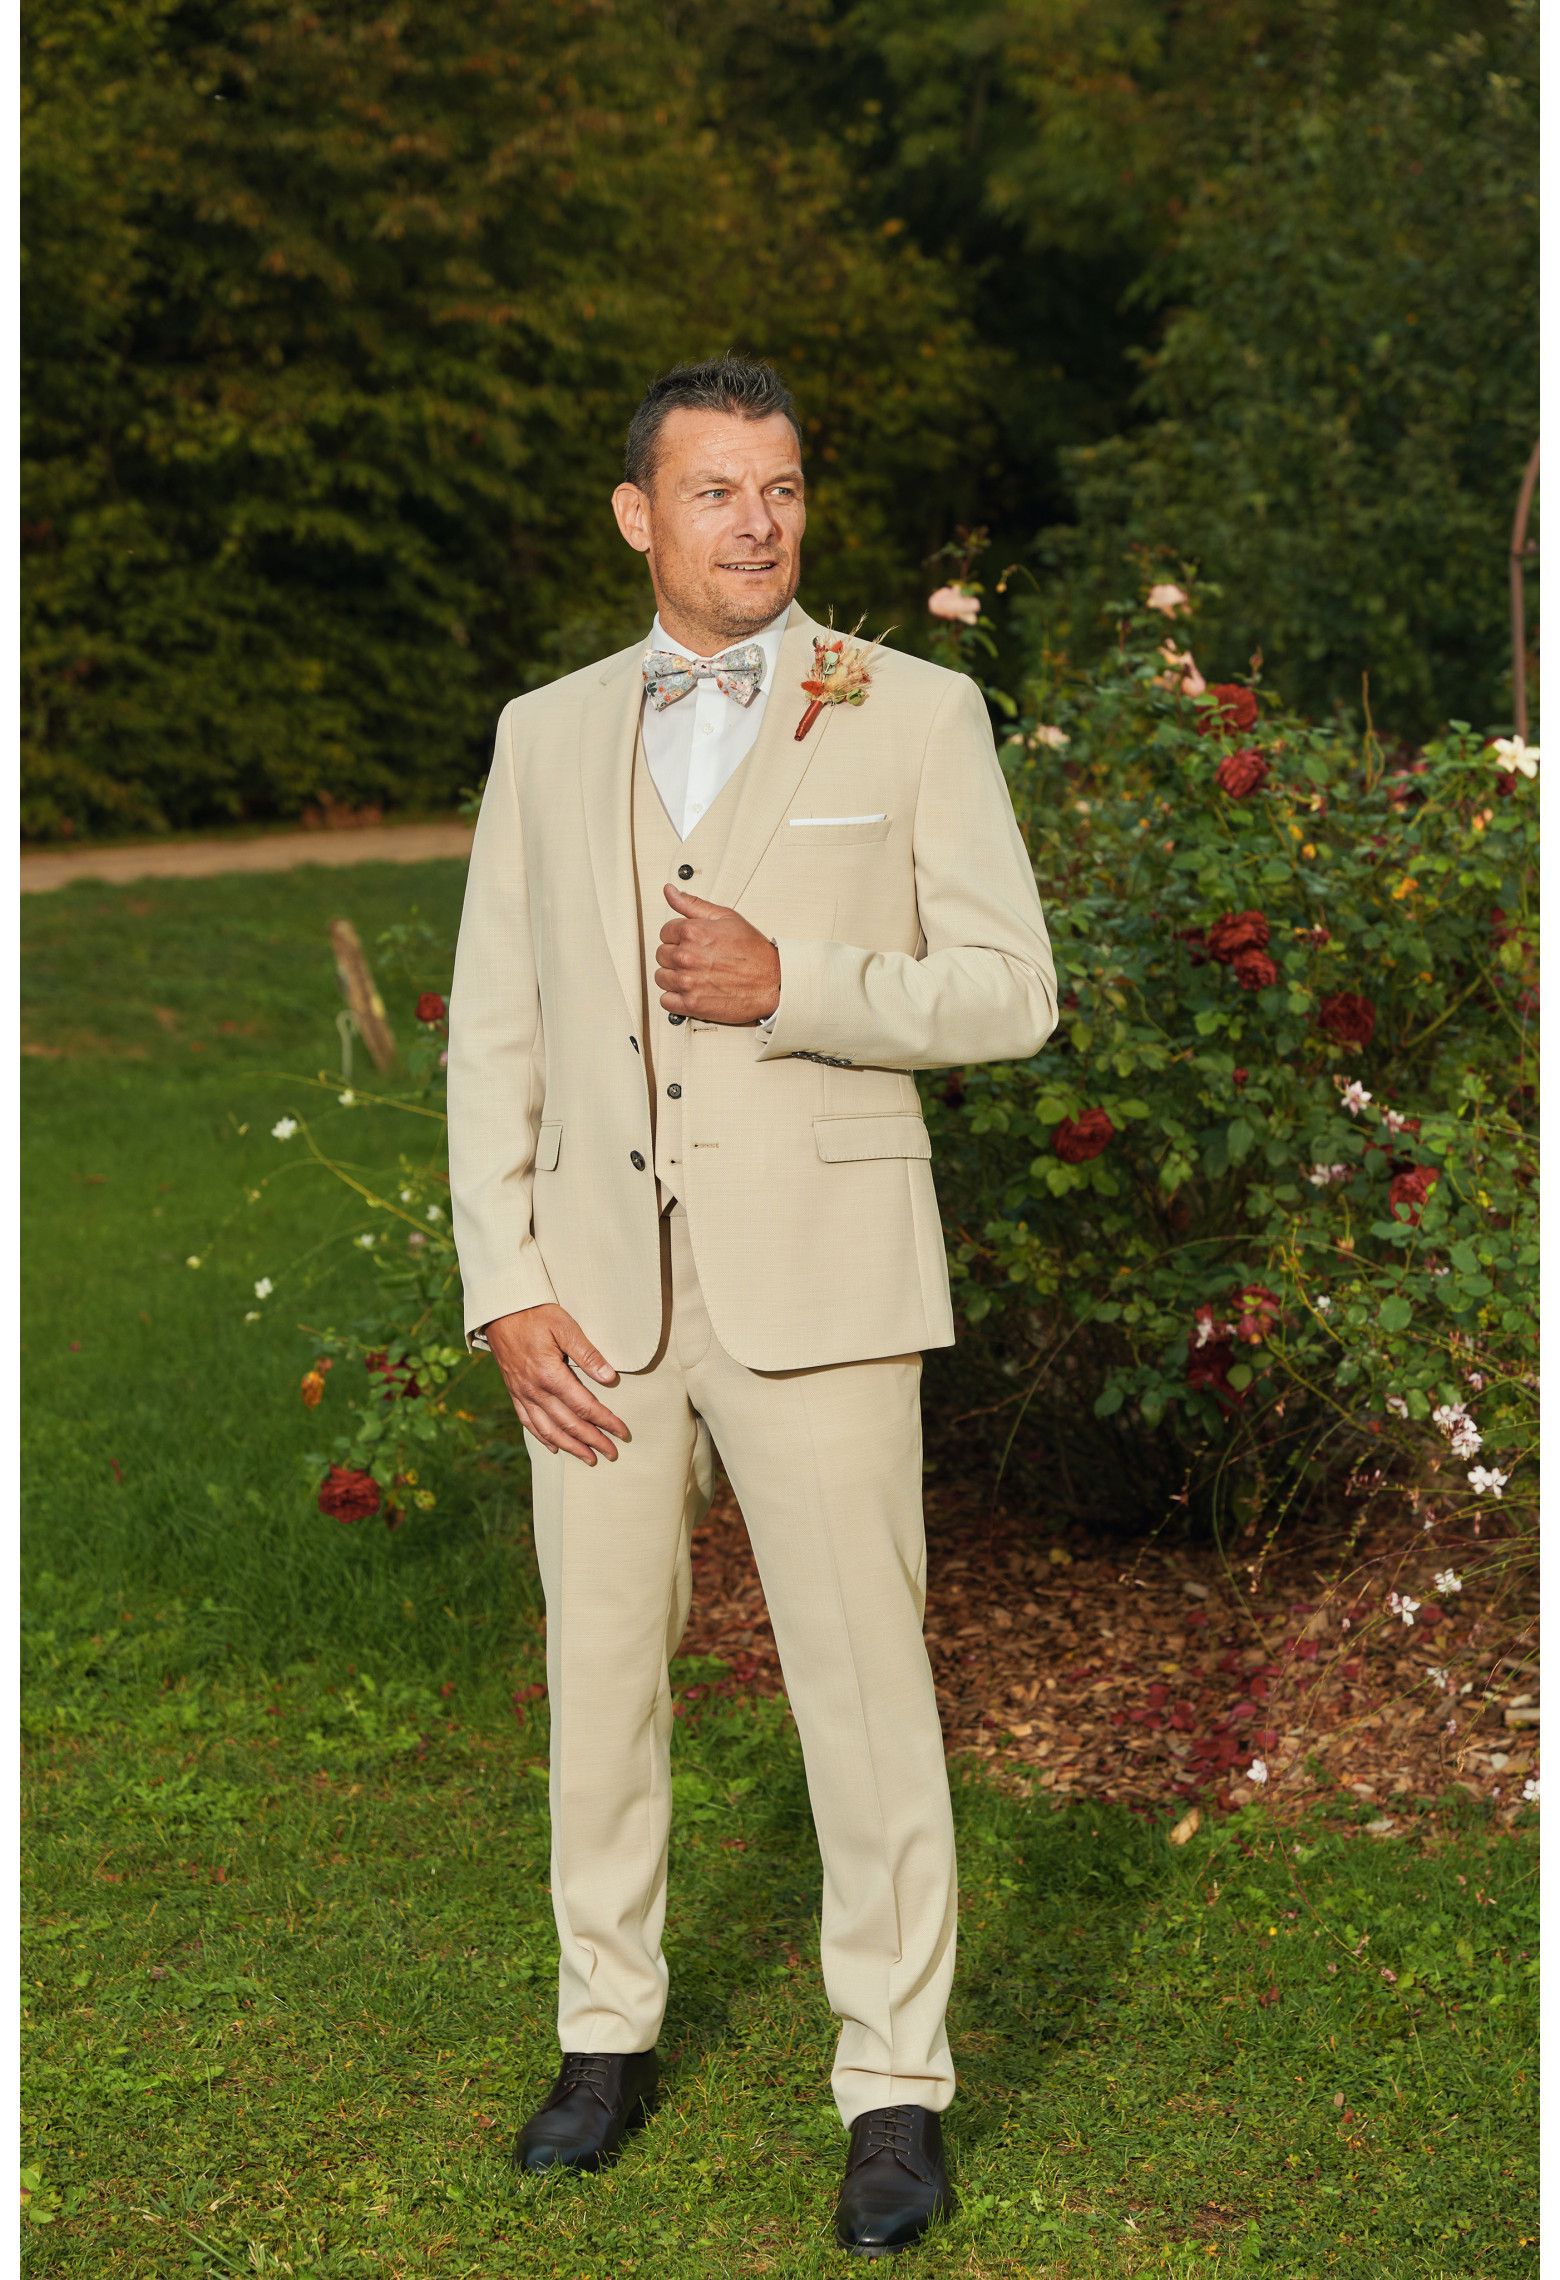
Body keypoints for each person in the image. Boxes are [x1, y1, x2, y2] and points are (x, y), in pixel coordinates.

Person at [446, 353, 1056, 2257]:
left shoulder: (917, 712)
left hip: (827, 1288)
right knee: (601, 1688)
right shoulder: (544, 733)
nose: (758, 522)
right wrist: (504, 1288)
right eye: (716, 491)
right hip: (598, 1303)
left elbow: (1009, 994)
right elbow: (494, 1029)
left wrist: (797, 980)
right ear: (640, 515)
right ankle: (603, 2033)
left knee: (866, 1702)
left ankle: (894, 2083)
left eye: (782, 487)